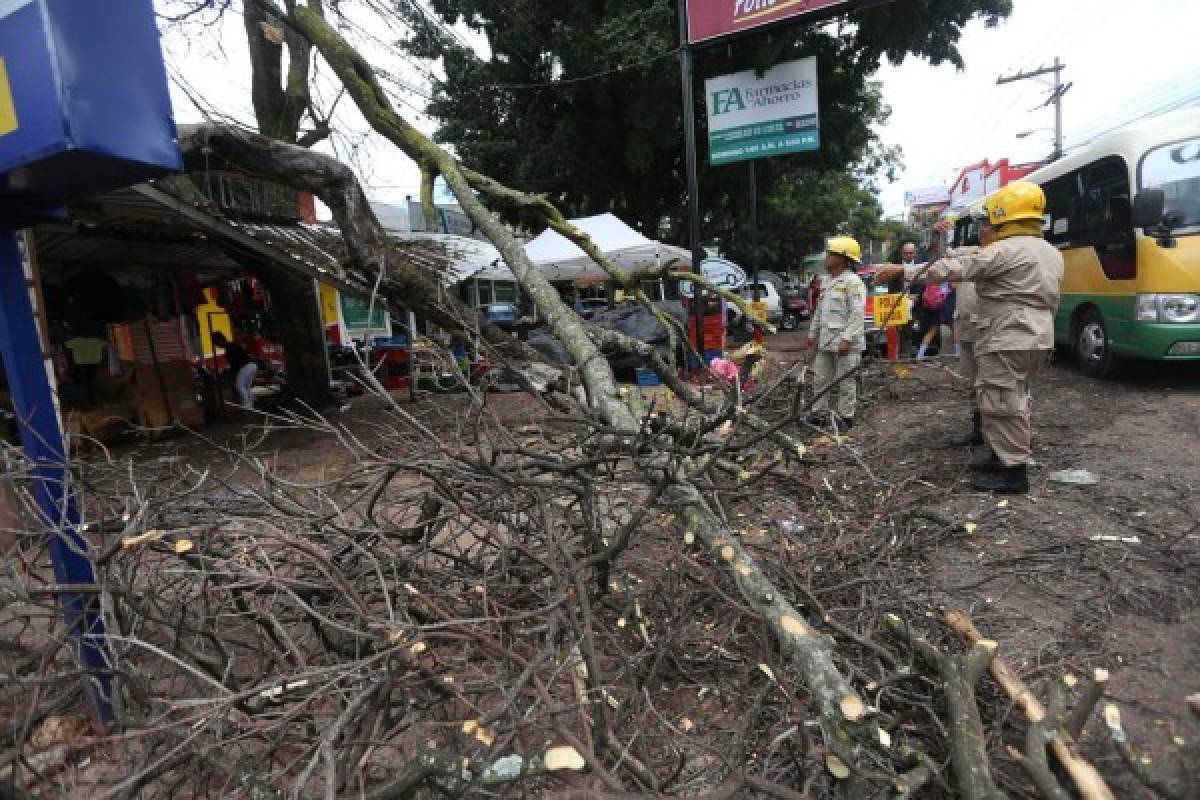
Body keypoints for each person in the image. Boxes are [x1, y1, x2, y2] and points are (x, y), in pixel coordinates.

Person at [874, 181, 1064, 493]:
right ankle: (1000, 455)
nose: (985, 227)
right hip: (1034, 334)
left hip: (1009, 335)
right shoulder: (1048, 251)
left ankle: (1013, 473)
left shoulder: (1006, 249)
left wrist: (902, 270)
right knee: (1008, 396)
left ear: (1004, 217)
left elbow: (957, 266)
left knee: (1002, 400)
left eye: (989, 221)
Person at [806, 236, 867, 432]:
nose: (827, 257)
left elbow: (857, 314)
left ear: (842, 258)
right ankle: (819, 414)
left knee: (846, 381)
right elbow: (820, 310)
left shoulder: (853, 282)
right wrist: (812, 334)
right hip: (826, 340)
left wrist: (847, 338)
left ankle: (845, 418)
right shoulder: (827, 282)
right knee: (820, 378)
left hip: (846, 343)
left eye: (831, 254)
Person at [212, 332, 257, 410]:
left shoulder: (230, 347)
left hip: (246, 366)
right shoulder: (231, 346)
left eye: (216, 343)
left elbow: (234, 363)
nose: (217, 345)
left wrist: (228, 372)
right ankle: (250, 404)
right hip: (251, 365)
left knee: (239, 385)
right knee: (246, 386)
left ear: (221, 340)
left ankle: (246, 404)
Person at [64, 331, 106, 407]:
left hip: (82, 363)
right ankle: (91, 399)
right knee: (91, 381)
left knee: (85, 382)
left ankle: (86, 400)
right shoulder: (96, 340)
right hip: (94, 362)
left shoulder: (76, 341)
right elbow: (105, 345)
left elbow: (66, 345)